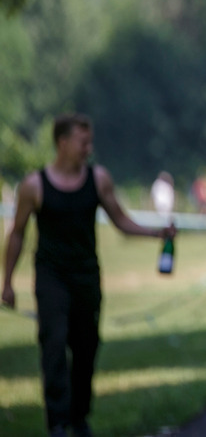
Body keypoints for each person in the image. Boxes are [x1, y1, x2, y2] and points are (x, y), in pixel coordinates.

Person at [1, 114, 176, 437]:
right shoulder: (34, 185)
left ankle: (79, 418)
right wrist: (7, 282)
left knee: (86, 346)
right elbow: (17, 234)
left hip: (86, 275)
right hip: (51, 276)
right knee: (53, 344)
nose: (88, 148)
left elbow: (121, 220)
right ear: (62, 143)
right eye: (83, 142)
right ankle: (58, 422)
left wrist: (157, 234)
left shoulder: (99, 179)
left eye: (90, 141)